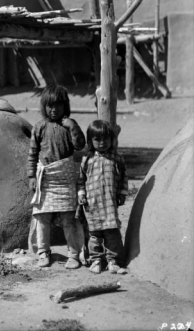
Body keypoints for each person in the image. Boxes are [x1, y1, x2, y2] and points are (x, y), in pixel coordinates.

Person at [27, 84, 86, 269]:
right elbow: (32, 153)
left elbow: (80, 146)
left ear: (65, 106)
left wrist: (73, 126)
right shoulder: (39, 127)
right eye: (49, 106)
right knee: (42, 217)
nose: (53, 110)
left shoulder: (68, 125)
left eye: (58, 105)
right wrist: (31, 176)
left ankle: (74, 255)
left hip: (65, 178)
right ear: (43, 107)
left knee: (69, 218)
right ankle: (43, 252)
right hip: (46, 178)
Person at [77, 119, 128, 274]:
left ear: (111, 139)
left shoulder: (117, 158)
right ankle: (97, 260)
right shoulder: (87, 159)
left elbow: (124, 177)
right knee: (94, 235)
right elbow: (81, 180)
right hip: (93, 204)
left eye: (106, 139)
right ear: (90, 141)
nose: (102, 143)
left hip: (110, 203)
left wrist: (122, 193)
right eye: (97, 139)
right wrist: (81, 194)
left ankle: (113, 261)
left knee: (112, 233)